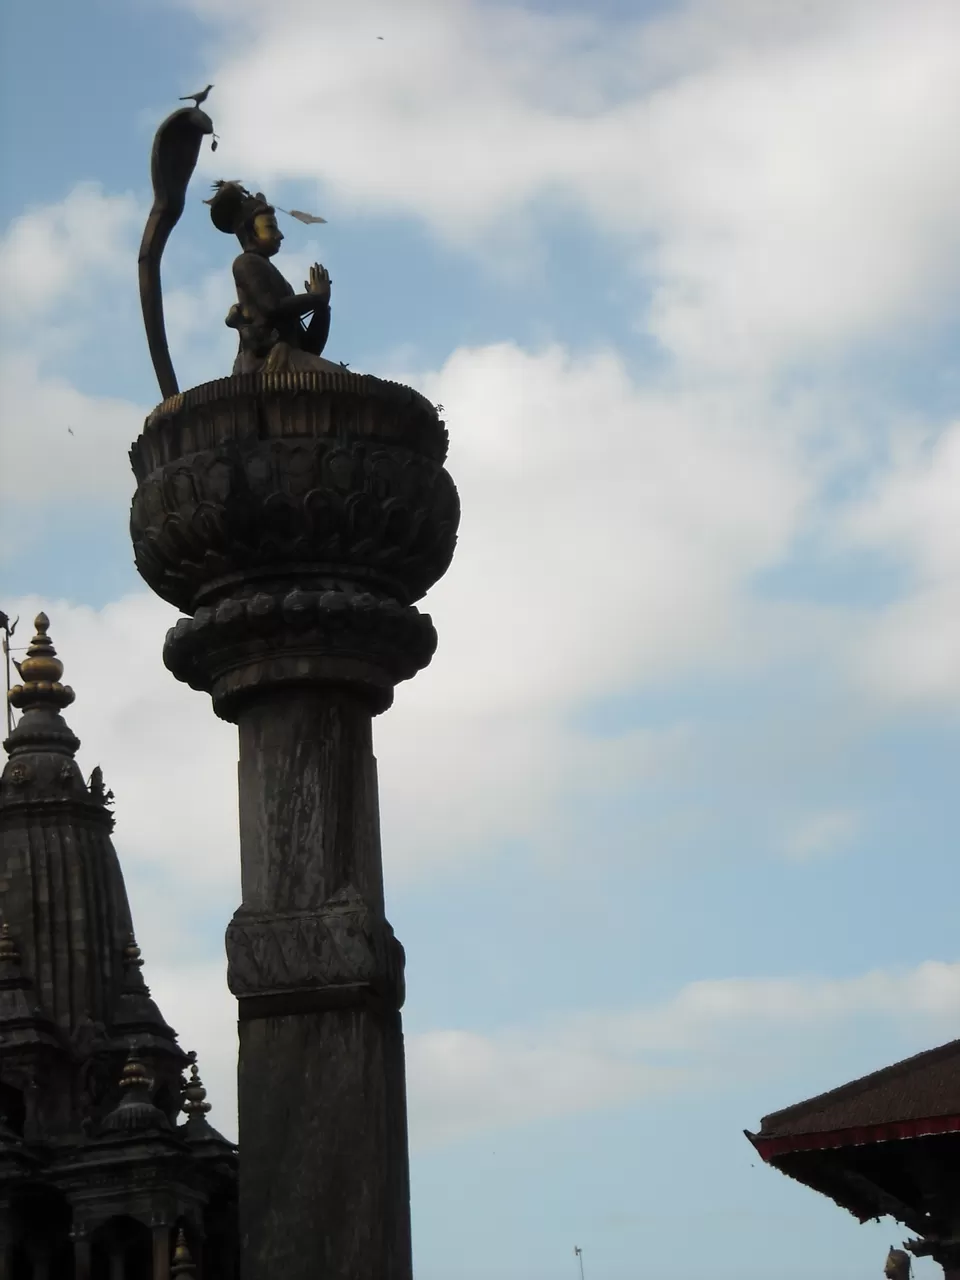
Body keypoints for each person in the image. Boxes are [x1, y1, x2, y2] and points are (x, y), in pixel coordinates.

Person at [207, 181, 342, 376]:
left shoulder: (274, 275)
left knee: (340, 381)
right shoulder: (245, 263)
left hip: (286, 358)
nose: (280, 235)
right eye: (270, 227)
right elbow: (271, 308)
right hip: (266, 363)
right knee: (338, 381)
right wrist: (314, 298)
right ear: (249, 232)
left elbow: (309, 347)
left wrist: (322, 307)